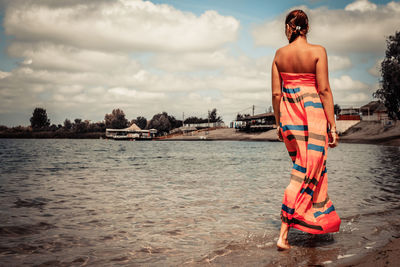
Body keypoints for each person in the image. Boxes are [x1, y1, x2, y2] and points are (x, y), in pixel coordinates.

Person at [271, 9, 341, 250]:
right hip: (313, 118)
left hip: (289, 117)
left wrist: (278, 123)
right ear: (307, 28)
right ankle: (283, 234)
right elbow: (323, 91)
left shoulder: (279, 55)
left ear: (288, 28)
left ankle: (312, 227)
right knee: (307, 171)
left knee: (308, 169)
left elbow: (276, 94)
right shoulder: (318, 51)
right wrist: (332, 125)